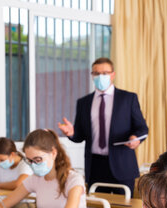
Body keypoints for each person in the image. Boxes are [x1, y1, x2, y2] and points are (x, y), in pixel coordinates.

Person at [58, 57, 148, 195]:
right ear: (92, 76)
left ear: (113, 74)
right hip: (95, 166)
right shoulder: (83, 102)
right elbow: (80, 135)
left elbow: (142, 128)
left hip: (122, 165)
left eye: (105, 73)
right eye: (96, 73)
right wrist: (71, 133)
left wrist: (136, 138)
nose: (101, 76)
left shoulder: (128, 99)